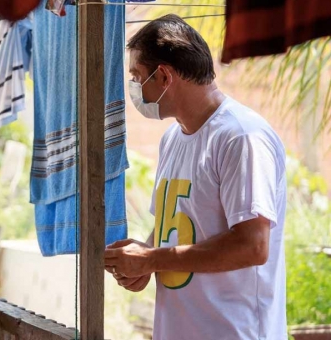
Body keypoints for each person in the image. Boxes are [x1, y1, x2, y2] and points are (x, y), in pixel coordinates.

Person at [104, 14, 287, 340]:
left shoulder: (242, 137)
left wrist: (152, 259)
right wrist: (144, 256)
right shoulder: (172, 139)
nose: (133, 87)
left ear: (163, 76)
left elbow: (253, 246)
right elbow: (179, 227)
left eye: (137, 76)